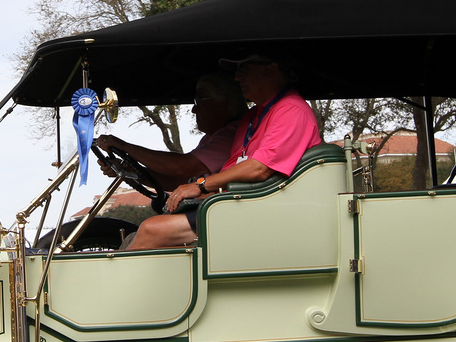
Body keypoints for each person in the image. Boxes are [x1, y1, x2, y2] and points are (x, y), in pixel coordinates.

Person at [123, 54, 323, 251]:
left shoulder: (291, 110)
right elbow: (234, 168)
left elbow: (259, 168)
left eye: (244, 69)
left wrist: (200, 187)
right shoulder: (254, 116)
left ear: (271, 70)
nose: (237, 78)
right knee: (147, 229)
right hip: (240, 205)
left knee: (152, 229)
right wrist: (201, 192)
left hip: (262, 211)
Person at [93, 73, 248, 191]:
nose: (194, 109)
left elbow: (182, 167)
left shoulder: (232, 134)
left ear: (222, 104)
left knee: (149, 228)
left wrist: (124, 147)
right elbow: (178, 181)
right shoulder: (211, 138)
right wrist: (127, 170)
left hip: (216, 212)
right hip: (209, 210)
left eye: (200, 102)